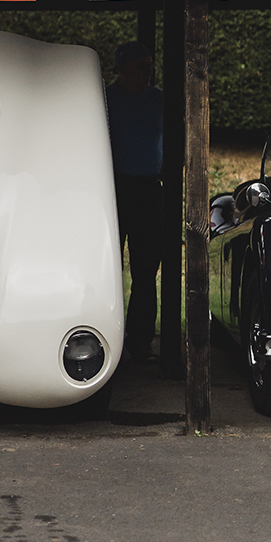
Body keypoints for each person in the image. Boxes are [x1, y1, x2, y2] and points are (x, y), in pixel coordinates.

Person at [105, 41, 163, 360]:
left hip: (147, 191)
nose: (148, 73)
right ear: (121, 68)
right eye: (142, 66)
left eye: (150, 66)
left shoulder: (158, 101)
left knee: (145, 270)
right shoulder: (104, 101)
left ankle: (140, 341)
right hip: (111, 189)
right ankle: (106, 335)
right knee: (107, 267)